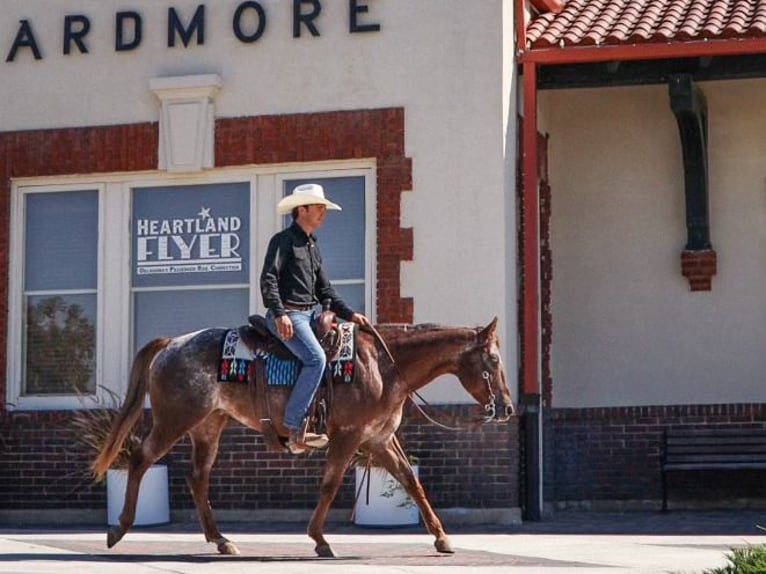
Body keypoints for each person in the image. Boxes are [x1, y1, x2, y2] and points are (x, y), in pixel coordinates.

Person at [260, 183, 371, 454]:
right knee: (316, 359)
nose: (323, 213)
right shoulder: (282, 241)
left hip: (309, 315)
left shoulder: (312, 245)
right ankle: (294, 428)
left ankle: (326, 419)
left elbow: (325, 289)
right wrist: (279, 314)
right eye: (319, 208)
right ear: (302, 209)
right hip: (290, 315)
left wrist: (349, 314)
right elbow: (268, 278)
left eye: (324, 208)